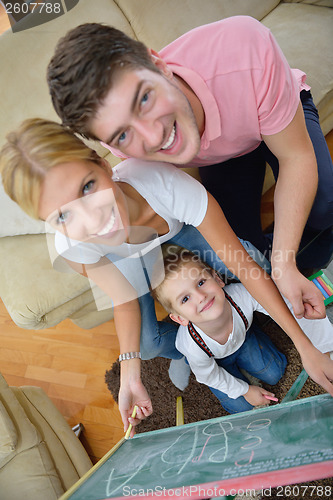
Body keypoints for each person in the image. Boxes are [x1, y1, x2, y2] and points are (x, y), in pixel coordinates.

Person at [1, 119, 333, 437]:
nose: (94, 218)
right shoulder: (73, 246)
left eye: (88, 186)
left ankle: (234, 314)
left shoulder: (163, 183)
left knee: (252, 265)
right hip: (135, 264)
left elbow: (243, 265)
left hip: (179, 231)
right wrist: (131, 373)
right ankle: (197, 345)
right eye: (63, 214)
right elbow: (123, 300)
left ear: (103, 165)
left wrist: (306, 348)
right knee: (145, 346)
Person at [46, 16, 333, 322]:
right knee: (242, 249)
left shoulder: (247, 48)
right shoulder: (121, 145)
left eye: (144, 99)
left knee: (324, 205)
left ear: (158, 64)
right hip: (223, 158)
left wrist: (285, 263)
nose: (153, 136)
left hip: (272, 114)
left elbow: (295, 158)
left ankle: (306, 261)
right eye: (123, 134)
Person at [152, 245, 333, 413]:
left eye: (200, 283)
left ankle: (253, 333)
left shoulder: (241, 295)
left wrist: (323, 347)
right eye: (185, 299)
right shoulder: (191, 346)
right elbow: (209, 376)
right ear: (179, 318)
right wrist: (244, 390)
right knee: (241, 407)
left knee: (275, 372)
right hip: (214, 361)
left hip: (243, 339)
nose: (200, 297)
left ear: (217, 279)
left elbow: (284, 307)